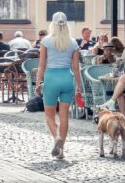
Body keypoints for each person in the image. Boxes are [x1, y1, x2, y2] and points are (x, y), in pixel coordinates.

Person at [35, 12, 81, 160]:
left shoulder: (46, 41)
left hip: (51, 79)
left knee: (49, 114)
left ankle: (56, 137)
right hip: (67, 79)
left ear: (52, 24)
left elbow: (41, 66)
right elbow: (76, 67)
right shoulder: (73, 43)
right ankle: (62, 151)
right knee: (64, 115)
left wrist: (37, 83)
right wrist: (79, 86)